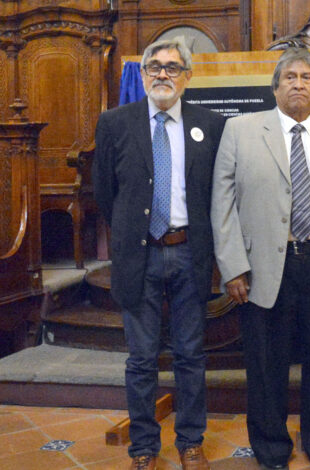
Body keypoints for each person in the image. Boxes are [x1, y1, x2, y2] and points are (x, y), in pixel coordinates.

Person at [210, 47, 310, 470]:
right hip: (262, 269)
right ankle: (272, 448)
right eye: (289, 77)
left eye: (306, 78)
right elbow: (222, 205)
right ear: (275, 87)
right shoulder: (240, 130)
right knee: (265, 363)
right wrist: (233, 265)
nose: (298, 84)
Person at [93, 38, 226, 470]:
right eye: (154, 67)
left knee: (190, 355)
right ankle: (144, 447)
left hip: (190, 253)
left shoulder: (210, 123)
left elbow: (217, 193)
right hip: (140, 256)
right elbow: (104, 193)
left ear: (187, 77)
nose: (162, 74)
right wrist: (133, 235)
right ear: (144, 74)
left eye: (172, 67)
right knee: (142, 358)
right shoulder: (115, 123)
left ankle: (190, 441)